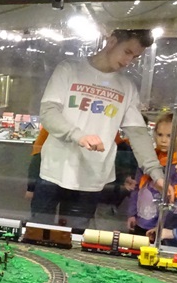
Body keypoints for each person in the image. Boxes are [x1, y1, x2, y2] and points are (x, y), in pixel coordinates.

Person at [31, 29, 168, 231]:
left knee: (75, 237)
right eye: (127, 52)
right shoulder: (69, 69)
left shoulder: (127, 87)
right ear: (112, 42)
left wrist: (156, 173)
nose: (129, 61)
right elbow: (48, 112)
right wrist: (78, 136)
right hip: (54, 171)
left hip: (92, 178)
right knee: (38, 233)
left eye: (135, 57)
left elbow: (138, 134)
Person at [126, 111, 177, 236]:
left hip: (159, 227)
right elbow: (137, 188)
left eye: (169, 136)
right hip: (140, 221)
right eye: (160, 134)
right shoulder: (148, 159)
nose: (163, 140)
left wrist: (163, 226)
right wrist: (132, 213)